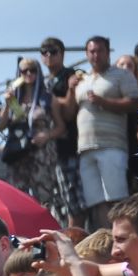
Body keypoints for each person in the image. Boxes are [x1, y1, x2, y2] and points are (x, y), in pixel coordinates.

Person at [71, 35, 138, 229]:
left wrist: (104, 102)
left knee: (116, 200)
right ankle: (106, 248)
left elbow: (135, 103)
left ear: (108, 52)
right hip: (85, 149)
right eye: (92, 51)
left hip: (112, 146)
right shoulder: (82, 80)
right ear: (87, 54)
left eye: (100, 50)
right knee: (97, 203)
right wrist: (70, 90)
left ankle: (123, 245)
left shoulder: (122, 75)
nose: (96, 55)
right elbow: (70, 111)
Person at [2, 59, 71, 224]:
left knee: (44, 197)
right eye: (24, 71)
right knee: (17, 196)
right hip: (18, 154)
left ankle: (44, 234)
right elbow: (1, 124)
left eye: (32, 70)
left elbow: (61, 127)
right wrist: (7, 104)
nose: (28, 74)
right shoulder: (14, 98)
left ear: (38, 72)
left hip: (41, 154)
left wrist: (46, 135)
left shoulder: (47, 97)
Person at [40, 38, 86, 227]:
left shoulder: (70, 75)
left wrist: (71, 90)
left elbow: (68, 114)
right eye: (44, 52)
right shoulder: (40, 83)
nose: (49, 55)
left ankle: (76, 244)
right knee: (55, 204)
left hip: (67, 148)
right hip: (45, 155)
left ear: (62, 53)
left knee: (73, 203)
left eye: (53, 51)